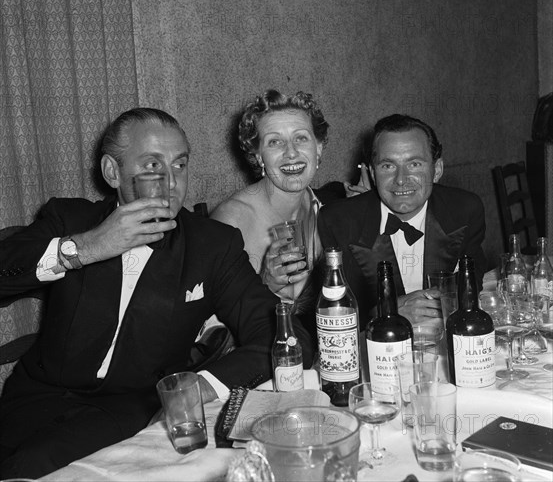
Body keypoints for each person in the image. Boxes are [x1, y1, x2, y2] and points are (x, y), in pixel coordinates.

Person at [0, 108, 313, 479]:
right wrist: (84, 248)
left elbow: (288, 338)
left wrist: (203, 384)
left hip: (128, 406)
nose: (169, 182)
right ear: (112, 172)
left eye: (179, 165)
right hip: (34, 395)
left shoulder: (211, 246)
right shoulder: (70, 220)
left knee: (31, 467)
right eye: (151, 166)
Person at [318, 113, 486, 327]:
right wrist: (384, 313)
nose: (400, 179)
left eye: (414, 164)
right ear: (372, 172)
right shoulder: (338, 222)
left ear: (437, 170)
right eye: (387, 166)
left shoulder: (464, 210)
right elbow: (330, 314)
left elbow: (471, 285)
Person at [210, 90, 329, 326]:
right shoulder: (231, 220)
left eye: (301, 138)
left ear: (319, 148)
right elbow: (210, 321)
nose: (291, 152)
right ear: (258, 157)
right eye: (275, 142)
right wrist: (266, 285)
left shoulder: (322, 208)